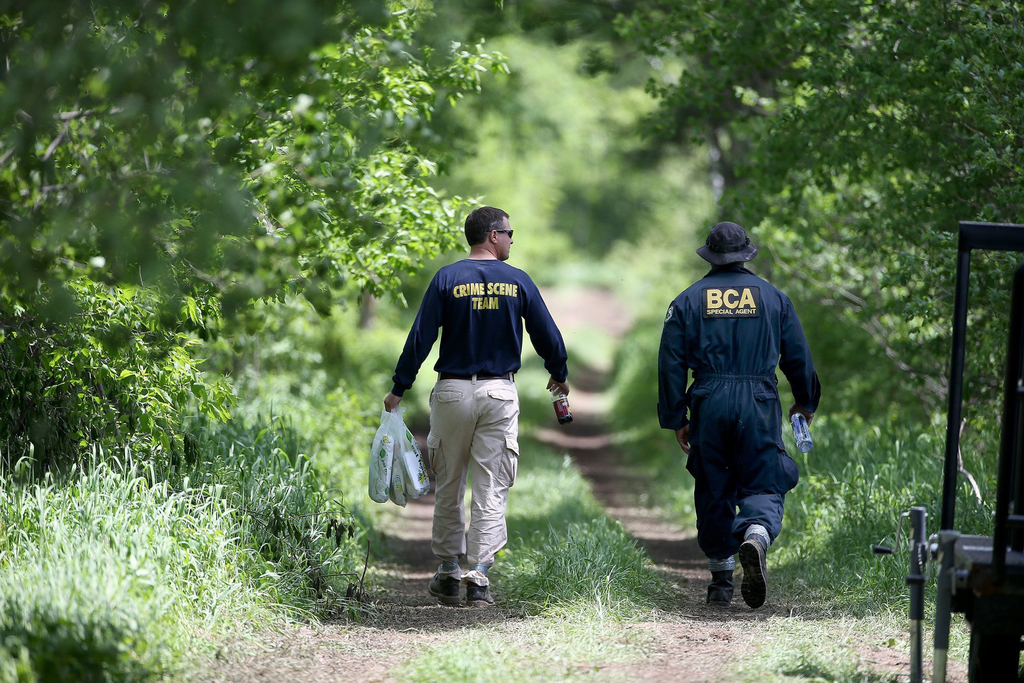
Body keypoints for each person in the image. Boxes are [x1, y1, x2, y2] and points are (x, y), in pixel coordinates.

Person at [384, 206, 569, 608]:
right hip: (499, 393)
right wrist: (559, 372)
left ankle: (449, 572)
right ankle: (479, 578)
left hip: (451, 392)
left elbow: (420, 337)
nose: (512, 239)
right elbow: (547, 334)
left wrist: (399, 387)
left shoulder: (446, 278)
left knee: (449, 483)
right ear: (492, 235)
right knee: (491, 485)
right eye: (509, 232)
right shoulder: (518, 281)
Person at [657, 221, 821, 609]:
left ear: (710, 256)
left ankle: (720, 582)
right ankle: (757, 535)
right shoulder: (774, 298)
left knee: (713, 482)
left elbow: (670, 364)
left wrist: (676, 416)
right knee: (764, 477)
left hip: (709, 399)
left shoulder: (686, 301)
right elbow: (797, 355)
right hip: (759, 399)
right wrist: (805, 401)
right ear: (746, 253)